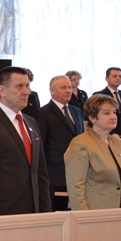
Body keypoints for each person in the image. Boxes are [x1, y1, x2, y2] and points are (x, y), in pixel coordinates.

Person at [0, 66, 51, 216]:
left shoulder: (31, 122)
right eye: (19, 86)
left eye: (27, 86)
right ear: (2, 90)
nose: (26, 92)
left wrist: (46, 214)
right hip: (4, 213)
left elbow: (40, 173)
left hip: (34, 212)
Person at [65, 94, 121, 210]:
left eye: (114, 112)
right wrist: (82, 216)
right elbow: (76, 186)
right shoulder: (80, 143)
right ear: (92, 118)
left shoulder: (117, 143)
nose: (113, 117)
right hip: (96, 212)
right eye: (107, 113)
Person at [37, 75, 85, 211]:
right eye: (63, 87)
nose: (68, 90)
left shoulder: (77, 111)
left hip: (77, 173)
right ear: (52, 90)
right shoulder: (43, 113)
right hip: (55, 175)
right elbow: (41, 147)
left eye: (69, 87)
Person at [93, 67, 121, 138]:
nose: (118, 78)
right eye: (114, 76)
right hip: (105, 137)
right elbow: (95, 119)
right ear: (106, 78)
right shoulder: (99, 95)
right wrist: (111, 134)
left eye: (120, 76)